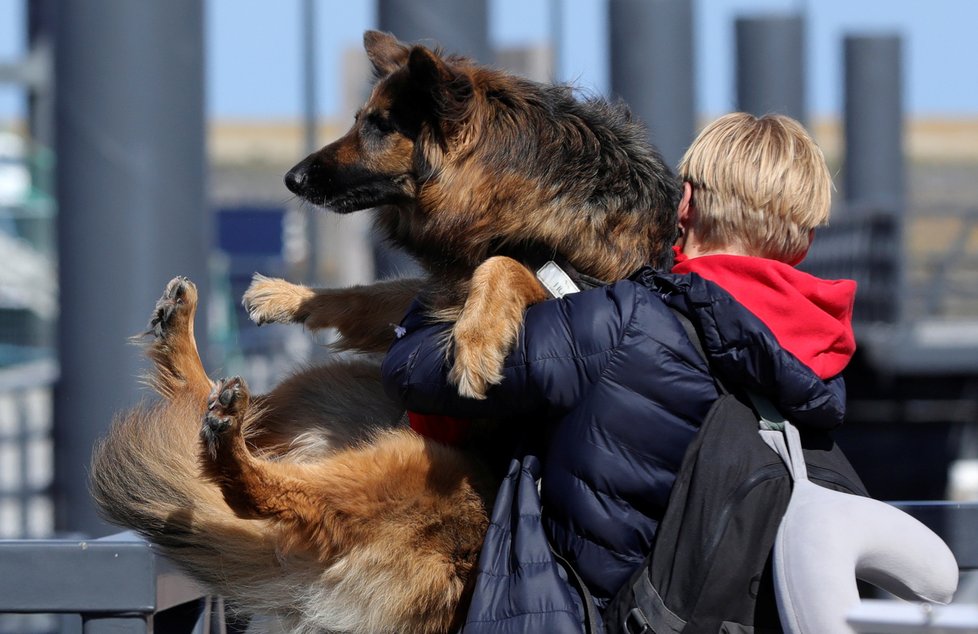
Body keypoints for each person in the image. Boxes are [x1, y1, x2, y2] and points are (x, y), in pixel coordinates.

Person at [381, 112, 856, 632]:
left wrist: (447, 286)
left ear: (686, 204)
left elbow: (416, 374)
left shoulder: (622, 322)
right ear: (806, 240)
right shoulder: (822, 369)